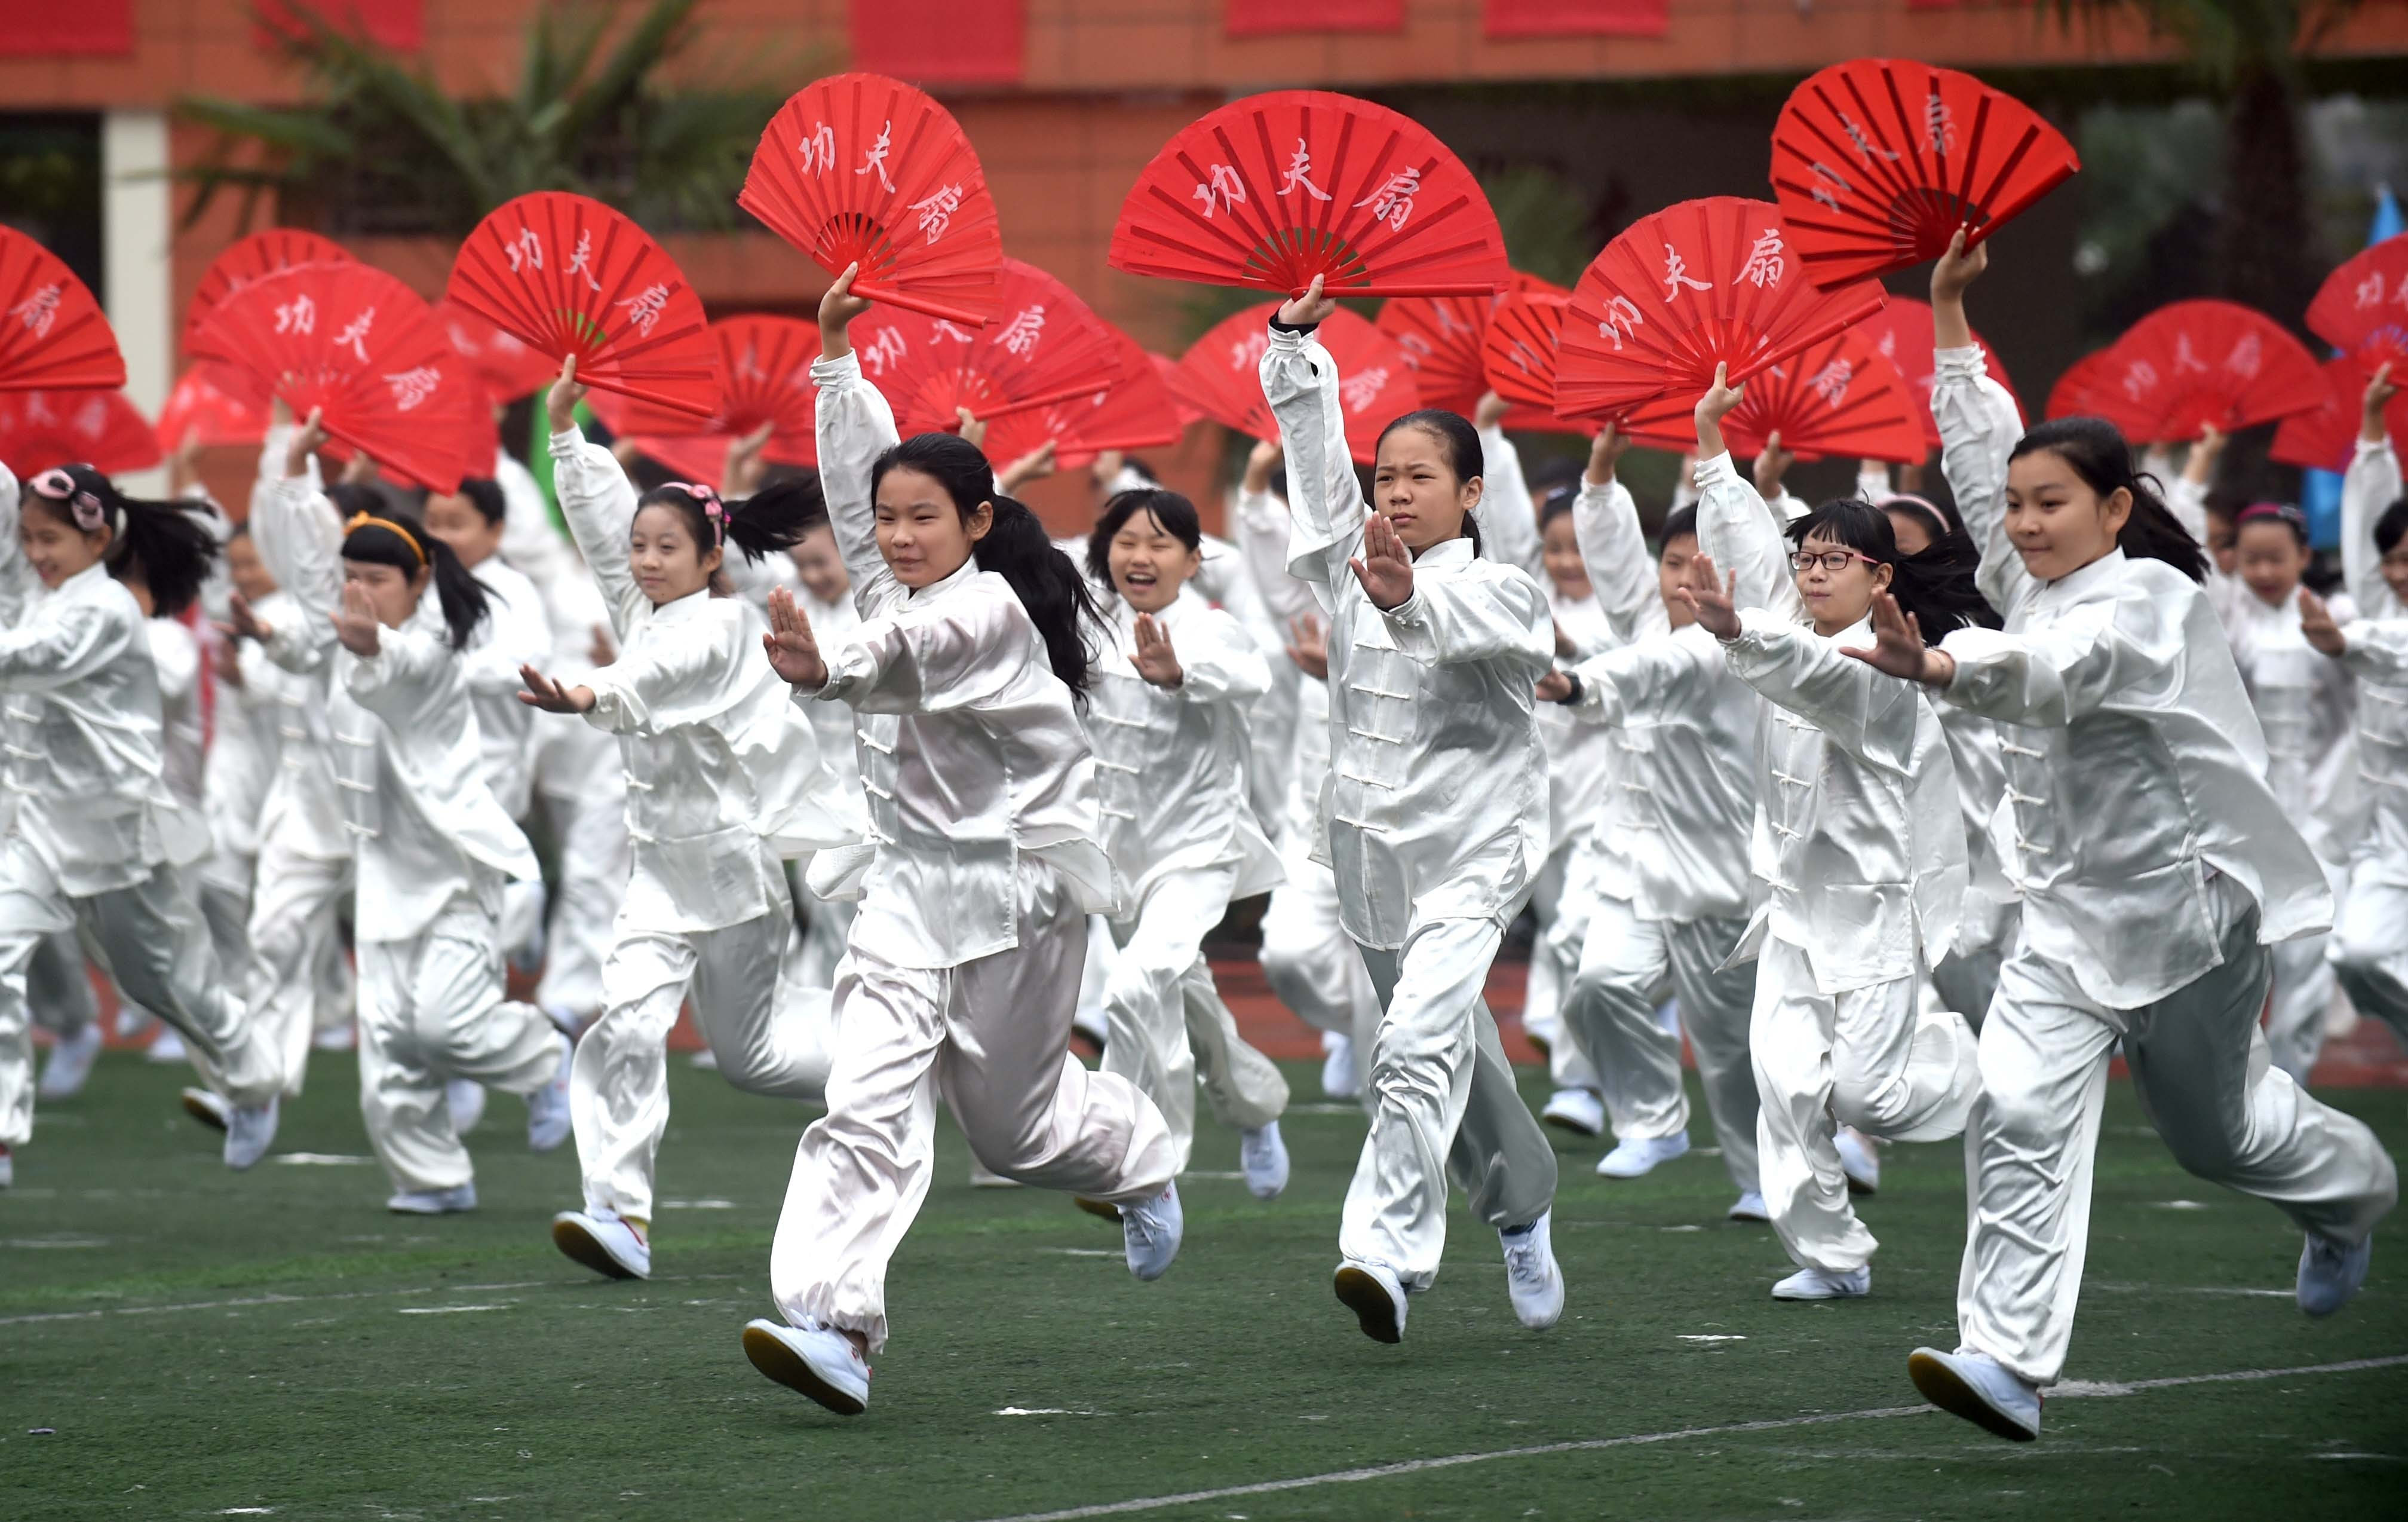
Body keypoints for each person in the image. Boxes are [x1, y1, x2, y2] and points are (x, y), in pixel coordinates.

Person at [1860, 231, 2397, 1443]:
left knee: (2220, 1139)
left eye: (2050, 504)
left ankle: (2348, 1196)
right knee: (2011, 1106)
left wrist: (1939, 660)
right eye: (2012, 508)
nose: (2022, 523)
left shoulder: (2154, 599)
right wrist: (1948, 315)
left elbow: (2056, 674)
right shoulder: (2033, 571)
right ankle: (2001, 1357)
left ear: (2113, 506)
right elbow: (1976, 447)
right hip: (2058, 918)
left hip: (2186, 917)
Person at [741, 266, 1180, 1417]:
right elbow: (853, 483)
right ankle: (835, 1323)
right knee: (864, 1105)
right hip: (904, 898)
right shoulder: (891, 575)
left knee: (1018, 1132)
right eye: (886, 520)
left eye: (922, 517)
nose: (894, 535)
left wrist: (826, 668)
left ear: (979, 523)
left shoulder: (978, 608)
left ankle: (1139, 1155)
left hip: (1020, 890)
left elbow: (902, 657)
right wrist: (835, 352)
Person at [1262, 275, 1564, 1345]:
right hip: (1370, 858)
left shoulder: (1504, 588)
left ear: (1470, 494)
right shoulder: (1349, 568)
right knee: (1453, 1051)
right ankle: (1523, 1208)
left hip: (1473, 854)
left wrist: (1405, 600)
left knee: (1414, 1048)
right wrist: (1297, 349)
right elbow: (1312, 465)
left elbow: (1474, 628)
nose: (1394, 493)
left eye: (1419, 477)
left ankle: (1383, 1256)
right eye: (1383, 476)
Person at [530, 358, 857, 1282]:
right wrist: (565, 431)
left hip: (735, 876)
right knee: (626, 1022)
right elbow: (599, 531)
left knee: (750, 1058)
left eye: (664, 547)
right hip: (656, 878)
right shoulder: (640, 603)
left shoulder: (717, 625)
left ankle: (894, 1063)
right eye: (641, 546)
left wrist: (587, 691)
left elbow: (646, 683)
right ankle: (620, 1211)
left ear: (710, 558)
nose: (642, 559)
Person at [1680, 364, 1983, 1302]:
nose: (1810, 571)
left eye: (1831, 559)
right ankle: (1831, 1254)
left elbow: (1809, 676)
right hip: (1793, 911)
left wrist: (1738, 637)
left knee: (1866, 1097)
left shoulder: (1883, 669)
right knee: (1779, 1082)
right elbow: (1739, 542)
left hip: (1877, 911)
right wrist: (1708, 448)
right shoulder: (1785, 629)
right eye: (1803, 557)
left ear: (1879, 575)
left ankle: (1984, 1067)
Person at [237, 414, 572, 1211]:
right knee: (386, 1040)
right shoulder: (346, 625)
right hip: (381, 870)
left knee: (444, 1027)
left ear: (418, 583)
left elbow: (398, 667)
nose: (358, 589)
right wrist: (291, 474)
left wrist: (365, 644)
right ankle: (433, 1174)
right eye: (350, 576)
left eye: (378, 578)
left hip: (453, 867)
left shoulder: (428, 647)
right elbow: (311, 574)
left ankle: (542, 1056)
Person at [0, 461, 281, 1186]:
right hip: (32, 826)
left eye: (51, 539)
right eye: (28, 538)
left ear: (97, 542)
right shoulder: (35, 591)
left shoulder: (103, 610)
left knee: (161, 984)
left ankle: (252, 1082)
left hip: (116, 830)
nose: (34, 551)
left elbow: (34, 660)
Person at [1539, 426, 1765, 1222]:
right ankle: (1650, 1120)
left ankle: (1762, 1179)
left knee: (1729, 1048)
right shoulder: (1643, 621)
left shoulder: (1732, 649)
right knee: (1598, 982)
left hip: (1714, 876)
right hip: (1628, 862)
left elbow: (1649, 672)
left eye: (1699, 564)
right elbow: (1608, 555)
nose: (1681, 579)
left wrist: (1573, 687)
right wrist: (1599, 467)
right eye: (1671, 564)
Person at [1082, 485, 1291, 1198]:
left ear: (1194, 559)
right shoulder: (1088, 628)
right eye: (1126, 542)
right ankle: (1255, 1109)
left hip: (1197, 852)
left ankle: (1148, 1170)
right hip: (1116, 862)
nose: (1140, 557)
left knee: (1136, 987)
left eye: (1160, 542)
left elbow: (1250, 677)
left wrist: (1179, 676)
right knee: (1183, 997)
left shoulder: (1208, 630)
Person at [1231, 442, 1381, 1101]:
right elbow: (1271, 571)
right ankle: (1353, 1027)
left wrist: (1343, 673)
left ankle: (1399, 1125)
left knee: (1388, 979)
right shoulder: (1314, 588)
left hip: (1399, 823)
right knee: (1288, 956)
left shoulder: (1436, 584)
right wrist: (1257, 483)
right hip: (1312, 818)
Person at [421, 475, 557, 1131]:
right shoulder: (418, 587)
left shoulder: (512, 590)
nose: (442, 537)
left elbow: (526, 665)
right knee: (439, 923)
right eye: (434, 522)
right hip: (426, 784)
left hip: (489, 782)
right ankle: (468, 1060)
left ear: (495, 533)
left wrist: (445, 669)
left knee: (462, 922)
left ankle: (490, 1061)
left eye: (457, 523)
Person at [2220, 498, 2358, 1084]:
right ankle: (2226, 1087)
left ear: (2303, 556)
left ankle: (2289, 1086)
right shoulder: (2224, 620)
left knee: (2305, 957)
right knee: (2231, 959)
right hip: (2241, 815)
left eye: (2275, 558)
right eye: (2251, 560)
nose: (2263, 573)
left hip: (2320, 812)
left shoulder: (2337, 619)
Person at [2319, 363, 2408, 1047]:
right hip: (2388, 843)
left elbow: (2380, 643)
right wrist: (2372, 431)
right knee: (2354, 958)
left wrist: (2349, 641)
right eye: (2392, 561)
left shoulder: (2372, 631)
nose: (2396, 573)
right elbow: (2365, 534)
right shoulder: (2379, 606)